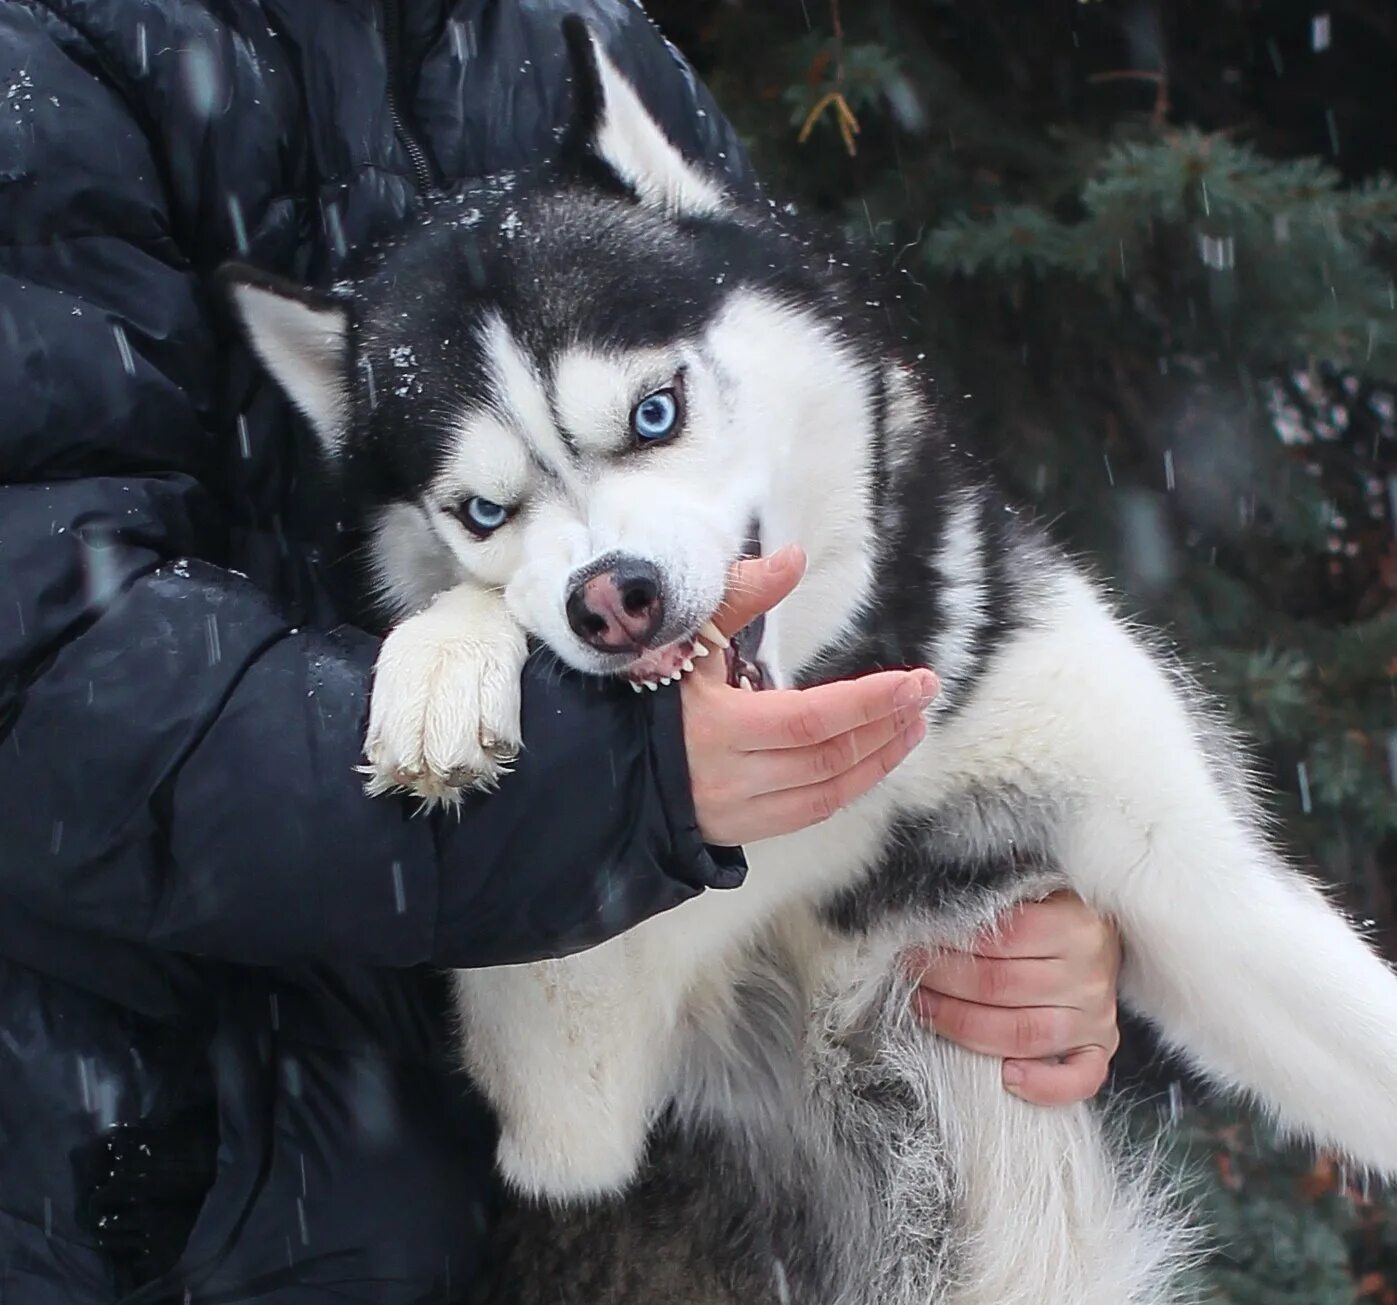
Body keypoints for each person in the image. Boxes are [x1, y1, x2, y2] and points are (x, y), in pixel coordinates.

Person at [0, 3, 1121, 1301]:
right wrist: (609, 781)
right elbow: (54, 682)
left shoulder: (577, 47)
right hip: (163, 1212)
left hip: (632, 1209)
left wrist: (1025, 898)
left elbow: (832, 511)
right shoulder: (47, 64)